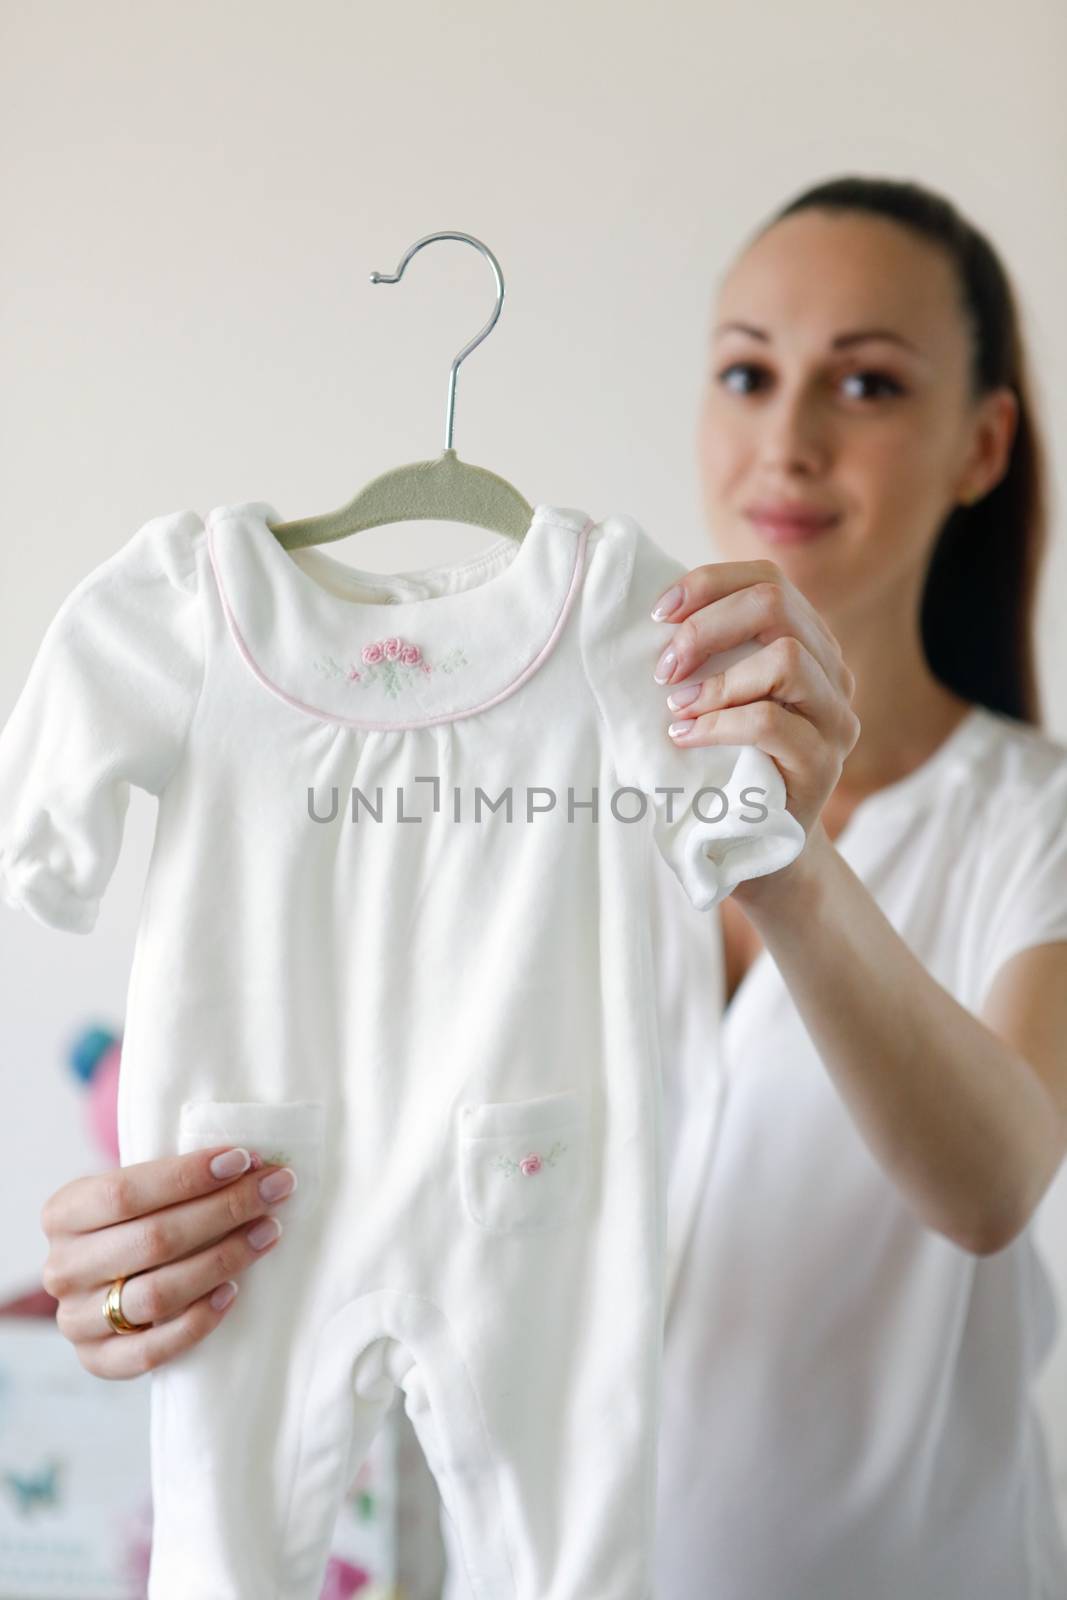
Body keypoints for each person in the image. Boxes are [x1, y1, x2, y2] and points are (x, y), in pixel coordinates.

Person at [38, 174, 1067, 1599]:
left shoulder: (1035, 825)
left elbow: (999, 1179)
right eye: (748, 371)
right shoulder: (535, 731)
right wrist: (143, 1283)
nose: (789, 437)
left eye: (869, 384)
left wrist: (777, 844)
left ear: (983, 442)